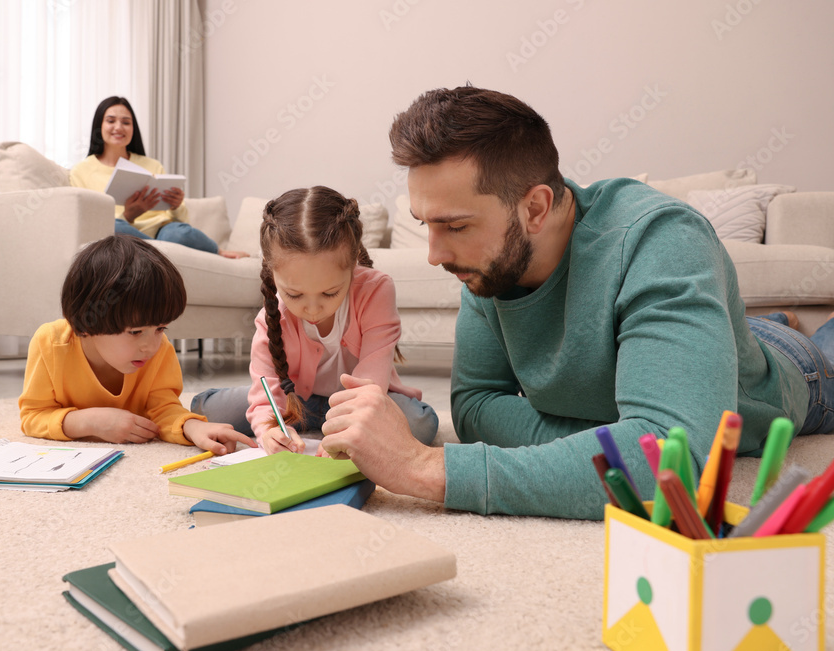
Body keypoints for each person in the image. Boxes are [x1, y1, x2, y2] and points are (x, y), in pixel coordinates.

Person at [319, 85, 834, 520]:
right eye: (426, 224)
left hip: (796, 378)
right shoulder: (485, 263)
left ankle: (792, 335)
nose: (434, 255)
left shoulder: (662, 241)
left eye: (455, 226)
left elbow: (669, 470)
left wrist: (423, 467)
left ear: (536, 207)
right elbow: (475, 407)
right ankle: (748, 327)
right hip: (698, 346)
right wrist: (625, 439)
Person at [190, 186, 439, 454]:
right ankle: (271, 409)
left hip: (360, 398)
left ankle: (319, 419)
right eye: (294, 294)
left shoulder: (376, 290)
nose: (311, 309)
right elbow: (268, 390)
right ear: (273, 273)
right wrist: (269, 431)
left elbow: (370, 384)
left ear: (353, 265)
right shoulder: (273, 315)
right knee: (209, 409)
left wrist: (346, 431)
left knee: (420, 424)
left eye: (330, 292)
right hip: (296, 400)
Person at [19, 235, 255, 454]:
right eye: (135, 331)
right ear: (86, 324)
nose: (150, 346)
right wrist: (89, 422)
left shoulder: (160, 349)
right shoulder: (50, 343)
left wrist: (193, 427)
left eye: (160, 328)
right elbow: (33, 416)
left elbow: (163, 409)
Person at [69, 95, 247, 258]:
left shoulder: (152, 165)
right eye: (110, 121)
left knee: (177, 233)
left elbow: (181, 221)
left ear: (133, 128)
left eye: (126, 122)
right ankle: (161, 254)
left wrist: (176, 205)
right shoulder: (81, 171)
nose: (118, 127)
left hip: (164, 231)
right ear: (99, 126)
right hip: (123, 231)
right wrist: (129, 215)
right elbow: (86, 223)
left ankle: (218, 251)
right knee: (113, 229)